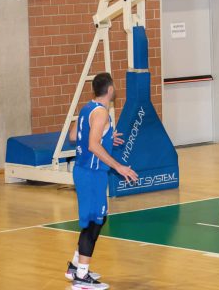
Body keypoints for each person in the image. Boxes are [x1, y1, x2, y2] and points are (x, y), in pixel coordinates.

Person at [65, 72, 138, 290]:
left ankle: (76, 266)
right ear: (110, 89)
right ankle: (82, 277)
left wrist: (106, 136)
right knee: (94, 222)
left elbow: (72, 136)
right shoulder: (102, 114)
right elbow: (92, 145)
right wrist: (119, 166)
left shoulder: (87, 108)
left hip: (85, 172)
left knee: (98, 219)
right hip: (91, 173)